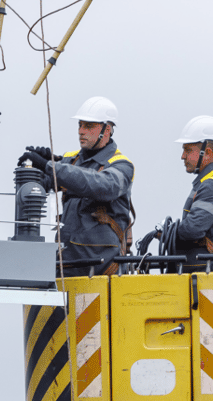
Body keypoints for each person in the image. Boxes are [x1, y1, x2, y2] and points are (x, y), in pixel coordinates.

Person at [18, 96, 135, 276]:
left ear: (107, 129)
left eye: (88, 126)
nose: (81, 131)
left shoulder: (122, 165)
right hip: (67, 265)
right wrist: (33, 169)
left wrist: (49, 166)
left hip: (100, 270)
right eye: (80, 125)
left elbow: (101, 185)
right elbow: (44, 184)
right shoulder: (71, 160)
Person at [139, 115, 213, 269]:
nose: (182, 156)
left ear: (208, 152)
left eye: (188, 150)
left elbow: (192, 230)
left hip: (207, 271)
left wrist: (167, 232)